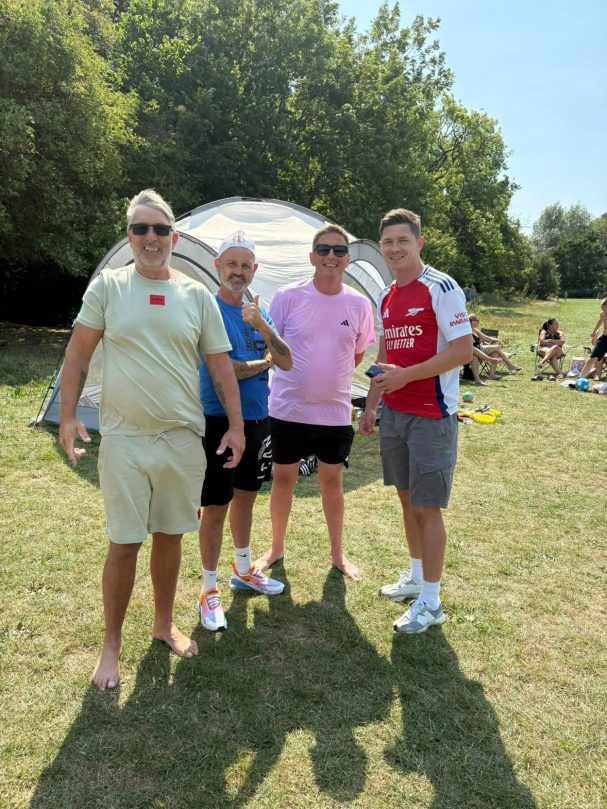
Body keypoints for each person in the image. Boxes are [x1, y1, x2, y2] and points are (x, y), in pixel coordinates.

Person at [59, 189, 245, 690]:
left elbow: (220, 366)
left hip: (182, 439)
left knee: (170, 535)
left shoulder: (196, 296)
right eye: (141, 228)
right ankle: (111, 645)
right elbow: (77, 354)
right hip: (124, 438)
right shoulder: (109, 287)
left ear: (174, 238)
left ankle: (163, 624)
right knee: (124, 542)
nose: (151, 237)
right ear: (129, 236)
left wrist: (236, 425)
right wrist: (68, 416)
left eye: (160, 229)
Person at [359, 208, 472, 633]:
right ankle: (417, 578)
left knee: (427, 508)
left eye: (402, 240)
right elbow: (385, 355)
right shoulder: (387, 294)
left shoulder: (441, 287)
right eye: (387, 242)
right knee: (407, 501)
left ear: (419, 243)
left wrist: (406, 376)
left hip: (432, 416)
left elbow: (462, 350)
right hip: (395, 414)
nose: (395, 249)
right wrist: (372, 404)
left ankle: (432, 602)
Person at [254, 225, 375, 581]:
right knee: (283, 480)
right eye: (323, 250)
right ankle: (276, 548)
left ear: (348, 259)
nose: (330, 257)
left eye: (338, 251)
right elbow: (273, 346)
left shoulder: (358, 303)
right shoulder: (287, 297)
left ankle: (337, 555)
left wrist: (327, 377)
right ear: (312, 257)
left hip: (334, 412)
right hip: (287, 408)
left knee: (332, 483)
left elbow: (356, 354)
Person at [197, 231, 293, 631]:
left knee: (246, 498)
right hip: (217, 420)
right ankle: (208, 589)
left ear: (254, 270)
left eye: (245, 266)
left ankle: (242, 569)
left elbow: (287, 361)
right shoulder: (209, 309)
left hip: (258, 418)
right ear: (218, 266)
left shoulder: (258, 310)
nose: (238, 272)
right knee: (216, 506)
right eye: (231, 264)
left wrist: (264, 327)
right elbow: (227, 372)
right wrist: (263, 363)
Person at [579, 297, 607, 380]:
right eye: (603, 309)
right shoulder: (602, 314)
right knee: (591, 360)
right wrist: (594, 331)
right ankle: (580, 379)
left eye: (606, 309)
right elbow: (601, 320)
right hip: (604, 339)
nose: (605, 311)